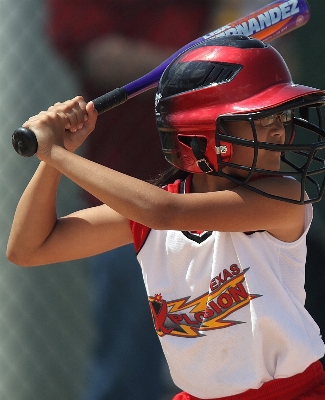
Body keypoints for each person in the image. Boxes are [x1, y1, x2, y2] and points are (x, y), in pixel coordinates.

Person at [7, 35, 325, 399]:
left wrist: (57, 154)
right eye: (260, 117)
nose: (280, 129)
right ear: (202, 132)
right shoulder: (149, 216)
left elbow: (164, 212)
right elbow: (29, 248)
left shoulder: (283, 198)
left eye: (281, 115)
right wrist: (54, 156)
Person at [45, 1, 213, 398]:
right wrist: (204, 71)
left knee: (228, 358)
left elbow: (274, 62)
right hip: (122, 206)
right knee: (127, 370)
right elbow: (103, 57)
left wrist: (229, 68)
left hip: (214, 199)